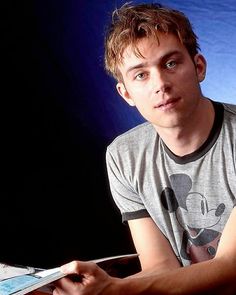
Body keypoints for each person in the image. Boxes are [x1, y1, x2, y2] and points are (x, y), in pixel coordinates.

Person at [52, 2, 236, 294]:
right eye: (141, 74)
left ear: (198, 67)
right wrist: (95, 288)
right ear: (126, 93)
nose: (160, 83)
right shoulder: (124, 156)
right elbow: (161, 267)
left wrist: (114, 291)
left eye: (171, 63)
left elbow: (229, 270)